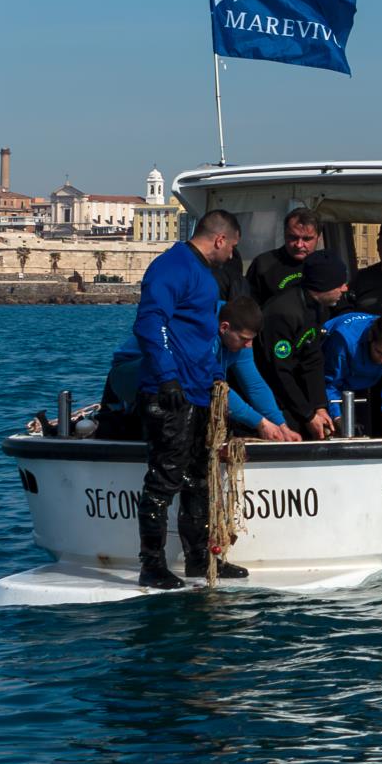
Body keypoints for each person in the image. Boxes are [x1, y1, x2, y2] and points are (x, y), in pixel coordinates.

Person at [131, 209, 248, 590]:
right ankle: (152, 564)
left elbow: (200, 336)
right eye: (232, 247)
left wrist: (216, 375)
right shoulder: (173, 267)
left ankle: (199, 559)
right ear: (219, 240)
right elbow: (151, 322)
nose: (232, 255)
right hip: (171, 393)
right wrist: (166, 377)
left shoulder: (203, 276)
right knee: (164, 479)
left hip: (198, 390)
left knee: (198, 478)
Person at [101, 297, 302, 443]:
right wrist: (259, 423)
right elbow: (212, 386)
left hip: (173, 381)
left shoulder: (239, 330)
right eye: (244, 339)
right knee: (191, 380)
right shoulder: (199, 333)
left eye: (252, 340)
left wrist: (280, 425)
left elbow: (254, 385)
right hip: (128, 373)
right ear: (224, 328)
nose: (248, 345)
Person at [255, 251, 350, 440]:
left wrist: (319, 406)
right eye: (340, 284)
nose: (345, 289)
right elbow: (278, 372)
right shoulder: (283, 314)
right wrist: (307, 415)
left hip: (293, 391)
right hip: (272, 396)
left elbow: (312, 360)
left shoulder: (318, 307)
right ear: (322, 285)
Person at [323, 311, 382, 438]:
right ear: (371, 339)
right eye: (379, 352)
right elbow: (330, 383)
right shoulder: (343, 339)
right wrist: (337, 417)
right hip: (333, 375)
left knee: (364, 431)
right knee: (335, 431)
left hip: (367, 380)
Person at [247, 207, 323, 305]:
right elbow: (249, 309)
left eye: (307, 239)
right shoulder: (263, 264)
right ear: (284, 234)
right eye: (293, 237)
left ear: (319, 238)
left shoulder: (328, 266)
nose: (299, 245)